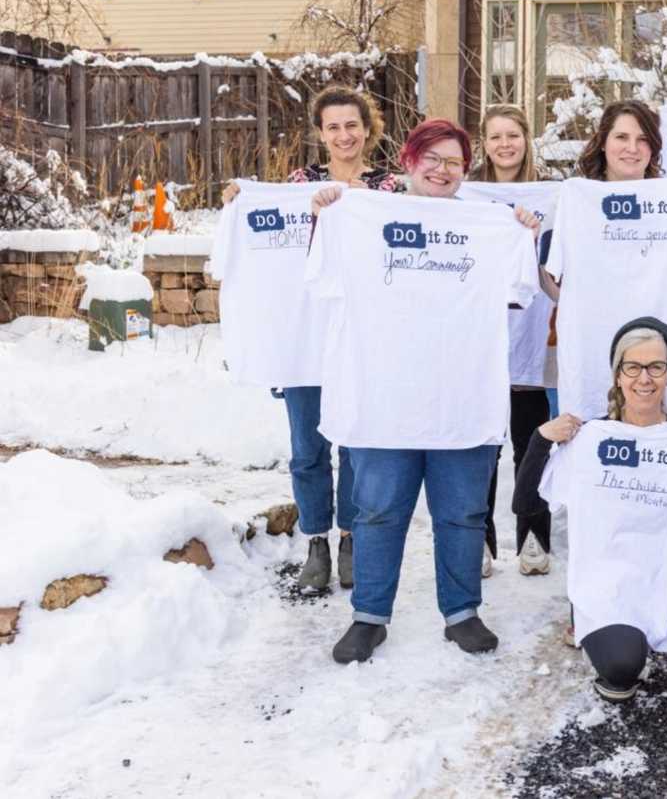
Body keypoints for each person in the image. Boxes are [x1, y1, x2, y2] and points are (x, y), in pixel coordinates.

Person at [321, 118, 540, 663]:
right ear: (408, 160)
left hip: (460, 397)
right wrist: (326, 213)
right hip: (384, 397)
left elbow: (521, 292)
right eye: (432, 159)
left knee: (463, 513)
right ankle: (369, 616)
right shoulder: (363, 215)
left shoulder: (488, 224)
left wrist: (521, 232)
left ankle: (462, 612)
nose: (443, 170)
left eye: (455, 162)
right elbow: (326, 276)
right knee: (377, 512)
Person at [512, 318, 667, 732]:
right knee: (623, 668)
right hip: (605, 593)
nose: (645, 378)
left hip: (666, 582)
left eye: (656, 366)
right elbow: (526, 503)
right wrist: (540, 440)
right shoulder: (590, 440)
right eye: (633, 367)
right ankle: (614, 646)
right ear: (618, 375)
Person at [219, 86, 404, 593]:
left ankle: (351, 539)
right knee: (307, 450)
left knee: (358, 448)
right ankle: (316, 543)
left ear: (368, 129)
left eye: (352, 125)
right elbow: (274, 254)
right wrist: (241, 202)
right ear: (320, 134)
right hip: (304, 339)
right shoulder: (300, 186)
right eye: (333, 127)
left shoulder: (388, 190)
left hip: (363, 338)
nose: (344, 135)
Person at [471, 105, 555, 580]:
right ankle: (480, 540)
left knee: (533, 443)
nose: (505, 144)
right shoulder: (466, 197)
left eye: (514, 135)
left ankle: (534, 536)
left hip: (534, 336)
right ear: (484, 143)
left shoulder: (555, 195)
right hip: (482, 339)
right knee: (483, 445)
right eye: (495, 136)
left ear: (527, 139)